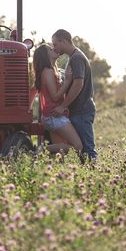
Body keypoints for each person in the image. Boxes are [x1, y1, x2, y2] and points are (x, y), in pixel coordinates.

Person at [51, 30, 97, 162]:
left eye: (55, 44)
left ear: (63, 41)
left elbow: (78, 83)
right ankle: (88, 175)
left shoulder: (76, 58)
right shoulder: (74, 57)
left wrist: (62, 106)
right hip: (79, 110)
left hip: (82, 110)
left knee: (87, 148)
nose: (54, 48)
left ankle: (93, 177)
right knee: (81, 149)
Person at [33, 43, 83, 155]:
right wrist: (68, 81)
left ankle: (50, 161)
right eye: (50, 49)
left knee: (60, 155)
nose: (54, 49)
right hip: (54, 116)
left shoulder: (51, 70)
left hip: (52, 115)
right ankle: (39, 150)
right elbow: (55, 96)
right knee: (78, 146)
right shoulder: (48, 72)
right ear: (46, 55)